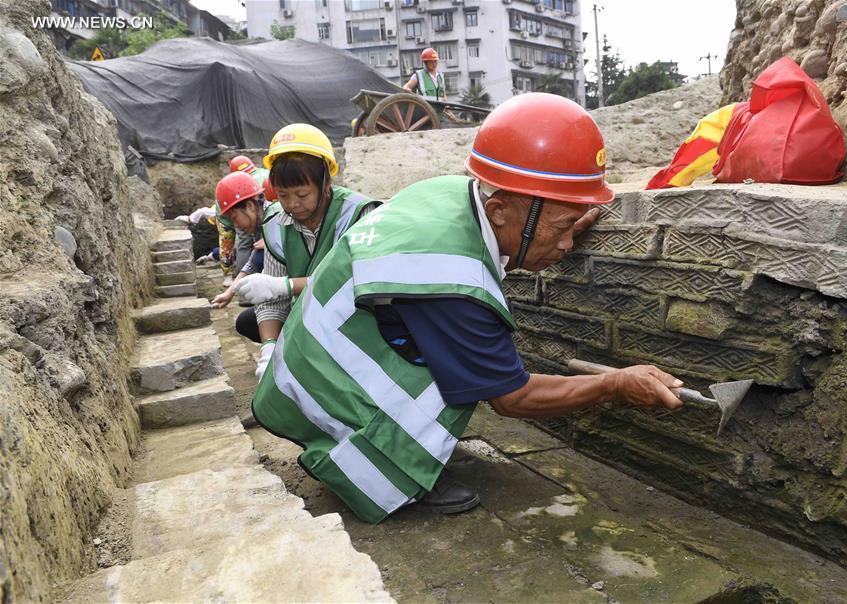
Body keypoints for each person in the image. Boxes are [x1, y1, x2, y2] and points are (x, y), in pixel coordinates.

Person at [251, 93, 685, 525]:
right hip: (315, 392)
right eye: (562, 228)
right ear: (499, 210)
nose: (568, 244)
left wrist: (559, 223)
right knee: (465, 378)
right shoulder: (451, 280)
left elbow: (491, 245)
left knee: (457, 360)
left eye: (572, 226)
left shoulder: (450, 194)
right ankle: (381, 468)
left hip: (302, 365)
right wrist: (615, 385)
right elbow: (513, 396)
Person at [233, 124, 379, 380]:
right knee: (248, 320)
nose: (292, 204)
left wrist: (286, 286)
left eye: (302, 194)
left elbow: (359, 281)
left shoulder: (358, 214)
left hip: (355, 316)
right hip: (308, 315)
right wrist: (268, 348)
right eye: (283, 195)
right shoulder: (275, 222)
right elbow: (272, 298)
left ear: (326, 183)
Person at [209, 171, 267, 342]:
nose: (236, 226)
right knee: (244, 321)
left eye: (235, 218)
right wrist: (229, 292)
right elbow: (253, 263)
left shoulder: (276, 223)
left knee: (248, 321)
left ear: (250, 206)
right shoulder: (259, 228)